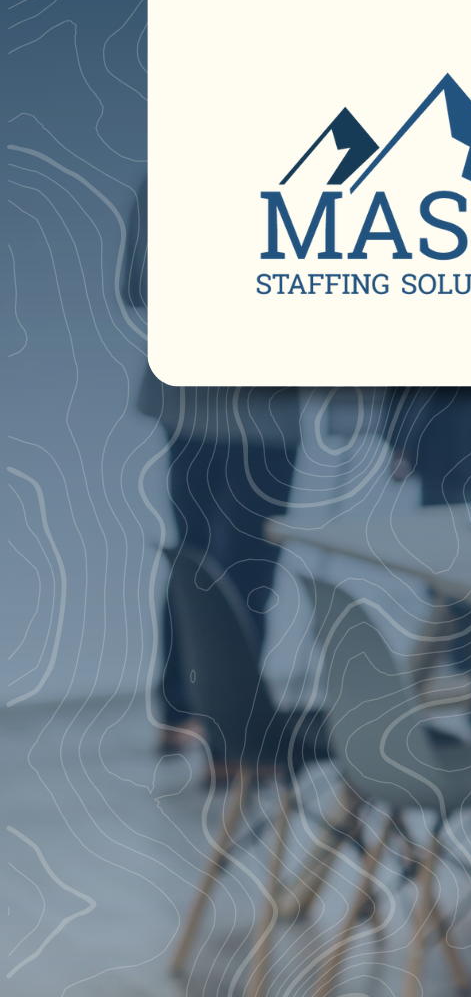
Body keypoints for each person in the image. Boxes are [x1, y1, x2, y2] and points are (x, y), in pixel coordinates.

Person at [119, 178, 304, 757]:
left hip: (195, 401)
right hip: (251, 406)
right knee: (241, 564)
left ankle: (183, 713)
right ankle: (232, 731)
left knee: (198, 555)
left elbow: (136, 286)